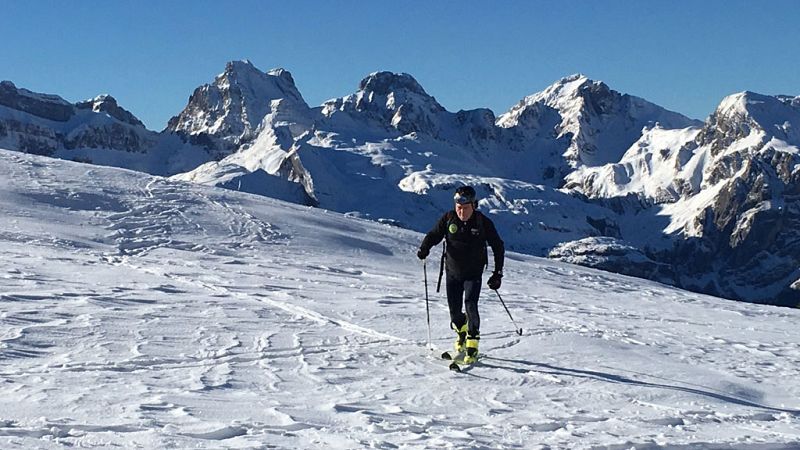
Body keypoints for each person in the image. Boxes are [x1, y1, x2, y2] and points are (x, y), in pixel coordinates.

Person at [416, 185, 505, 363]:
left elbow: (498, 246)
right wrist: (424, 248)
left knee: (471, 305)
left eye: (465, 208)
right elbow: (434, 235)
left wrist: (497, 273)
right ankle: (462, 334)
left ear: (473, 205)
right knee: (455, 312)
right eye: (458, 207)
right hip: (452, 273)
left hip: (473, 273)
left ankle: (472, 344)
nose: (461, 211)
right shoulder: (448, 219)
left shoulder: (483, 223)